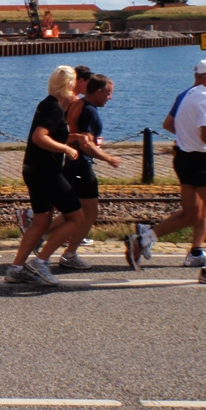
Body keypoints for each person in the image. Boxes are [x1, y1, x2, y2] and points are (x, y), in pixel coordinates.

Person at [132, 64, 206, 284]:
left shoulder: (193, 93)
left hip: (183, 158)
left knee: (192, 214)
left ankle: (143, 239)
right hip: (201, 161)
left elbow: (199, 127)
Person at [128, 59, 206, 269]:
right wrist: (192, 138)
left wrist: (188, 135)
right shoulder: (201, 96)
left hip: (188, 154)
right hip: (195, 155)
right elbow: (171, 125)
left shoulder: (186, 95)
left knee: (199, 210)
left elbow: (170, 124)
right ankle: (150, 237)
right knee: (203, 211)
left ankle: (196, 250)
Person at [5, 66, 87, 286]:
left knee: (41, 222)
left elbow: (50, 133)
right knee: (77, 218)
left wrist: (73, 137)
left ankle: (16, 268)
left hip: (32, 169)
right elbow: (39, 136)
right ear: (69, 84)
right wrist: (66, 149)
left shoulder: (47, 103)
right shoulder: (54, 109)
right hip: (46, 172)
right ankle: (40, 262)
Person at [43, 74, 123, 269]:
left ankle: (37, 234)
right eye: (108, 93)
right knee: (90, 213)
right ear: (98, 92)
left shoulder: (76, 104)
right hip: (81, 166)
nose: (110, 98)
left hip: (71, 163)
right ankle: (69, 254)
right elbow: (84, 143)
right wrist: (108, 158)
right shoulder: (89, 111)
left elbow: (70, 135)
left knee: (74, 211)